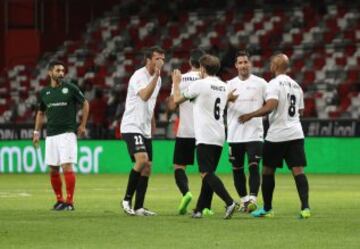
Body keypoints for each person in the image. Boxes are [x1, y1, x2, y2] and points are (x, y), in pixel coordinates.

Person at [239, 53, 311, 218]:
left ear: (275, 66)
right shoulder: (296, 85)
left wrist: (250, 115)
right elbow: (300, 110)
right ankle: (305, 208)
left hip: (277, 135)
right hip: (296, 132)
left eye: (272, 63)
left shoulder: (274, 83)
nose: (270, 65)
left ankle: (267, 208)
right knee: (298, 170)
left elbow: (271, 106)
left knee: (267, 171)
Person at [173, 54, 239, 219]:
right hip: (219, 135)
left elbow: (176, 100)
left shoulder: (199, 85)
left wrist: (176, 83)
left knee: (206, 173)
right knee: (209, 173)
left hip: (205, 135)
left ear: (202, 68)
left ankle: (230, 202)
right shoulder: (224, 86)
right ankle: (199, 209)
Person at [33, 60, 89, 211]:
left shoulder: (70, 88)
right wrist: (36, 133)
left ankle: (69, 202)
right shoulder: (44, 93)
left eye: (63, 71)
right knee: (53, 169)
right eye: (58, 70)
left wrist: (82, 125)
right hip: (51, 135)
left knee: (67, 167)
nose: (61, 73)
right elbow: (40, 113)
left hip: (67, 134)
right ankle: (59, 200)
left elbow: (85, 103)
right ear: (50, 73)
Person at [168, 48, 215, 216]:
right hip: (204, 133)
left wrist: (175, 82)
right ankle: (207, 207)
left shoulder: (181, 79)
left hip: (185, 131)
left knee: (179, 167)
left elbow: (172, 105)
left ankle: (186, 192)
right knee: (206, 171)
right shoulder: (208, 80)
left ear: (189, 62)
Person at [120, 46, 165, 216]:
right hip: (131, 125)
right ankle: (126, 200)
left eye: (163, 59)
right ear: (148, 59)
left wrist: (152, 122)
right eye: (157, 58)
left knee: (148, 167)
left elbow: (150, 103)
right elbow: (145, 95)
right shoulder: (138, 76)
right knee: (142, 159)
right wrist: (156, 76)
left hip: (144, 128)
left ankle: (139, 207)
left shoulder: (157, 79)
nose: (161, 62)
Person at [226, 50, 267, 212]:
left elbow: (270, 102)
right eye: (240, 63)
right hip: (234, 135)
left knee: (253, 165)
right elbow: (218, 105)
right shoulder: (229, 85)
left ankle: (253, 199)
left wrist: (254, 115)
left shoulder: (261, 83)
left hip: (254, 134)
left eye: (245, 62)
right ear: (236, 65)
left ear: (250, 63)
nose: (243, 65)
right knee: (237, 169)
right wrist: (227, 99)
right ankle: (244, 201)